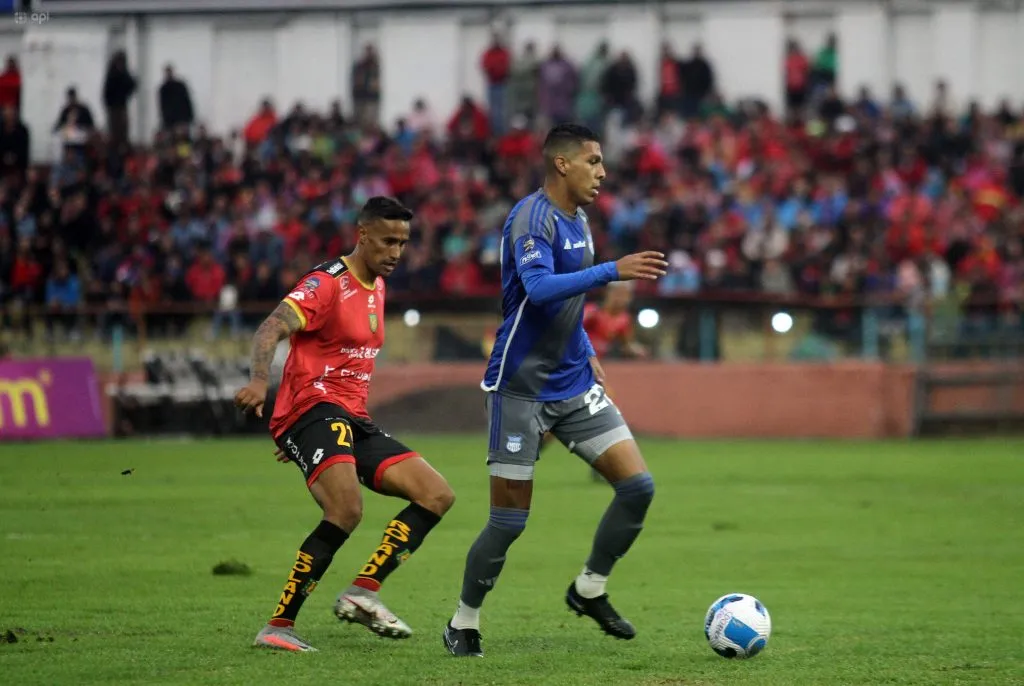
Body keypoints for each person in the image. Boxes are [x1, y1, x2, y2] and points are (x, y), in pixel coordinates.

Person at [442, 124, 667, 657]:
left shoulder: (581, 221)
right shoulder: (531, 218)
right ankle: (463, 620)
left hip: (574, 383)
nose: (602, 172)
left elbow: (569, 304)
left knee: (638, 487)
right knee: (508, 522)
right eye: (593, 161)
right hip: (520, 389)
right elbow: (540, 289)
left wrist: (585, 347)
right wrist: (612, 271)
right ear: (562, 164)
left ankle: (589, 588)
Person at [235, 196, 455, 653]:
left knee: (436, 494)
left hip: (350, 418)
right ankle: (278, 626)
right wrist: (260, 383)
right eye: (388, 241)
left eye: (403, 243)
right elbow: (270, 328)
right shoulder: (327, 283)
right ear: (363, 235)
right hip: (314, 407)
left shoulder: (377, 285)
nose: (396, 252)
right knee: (346, 510)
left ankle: (362, 591)